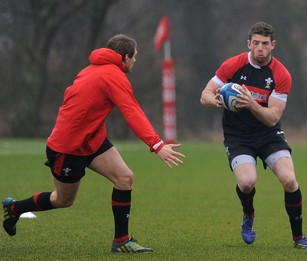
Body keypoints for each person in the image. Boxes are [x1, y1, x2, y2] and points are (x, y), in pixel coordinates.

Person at [2, 34, 185, 254]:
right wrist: (157, 145)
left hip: (93, 140)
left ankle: (121, 241)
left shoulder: (92, 69)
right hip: (67, 148)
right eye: (135, 56)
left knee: (125, 178)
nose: (136, 60)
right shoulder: (112, 76)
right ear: (125, 57)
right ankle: (15, 208)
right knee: (62, 199)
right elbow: (132, 112)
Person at [200, 22, 307, 250]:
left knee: (290, 180)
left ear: (273, 45)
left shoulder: (281, 74)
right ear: (249, 44)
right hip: (238, 137)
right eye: (256, 43)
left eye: (265, 44)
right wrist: (216, 100)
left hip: (268, 135)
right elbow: (204, 94)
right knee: (246, 183)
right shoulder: (232, 66)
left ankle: (299, 239)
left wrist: (251, 103)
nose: (260, 48)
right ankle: (248, 213)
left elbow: (272, 117)